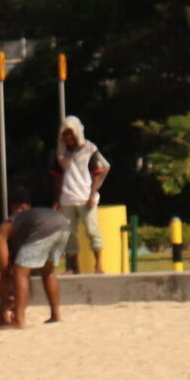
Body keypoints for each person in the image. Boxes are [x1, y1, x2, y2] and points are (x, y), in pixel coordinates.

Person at [0, 183, 72, 329]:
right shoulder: (21, 232)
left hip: (43, 225)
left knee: (19, 273)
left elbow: (6, 271)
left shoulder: (3, 230)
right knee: (48, 272)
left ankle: (19, 320)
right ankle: (55, 315)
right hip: (63, 224)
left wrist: (3, 308)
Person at [54, 117, 110, 273]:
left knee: (92, 231)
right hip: (67, 198)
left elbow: (97, 173)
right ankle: (73, 266)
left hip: (85, 198)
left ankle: (98, 264)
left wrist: (92, 195)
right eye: (65, 135)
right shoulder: (61, 153)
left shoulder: (89, 149)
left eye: (71, 134)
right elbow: (58, 178)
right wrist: (57, 200)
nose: (68, 138)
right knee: (69, 234)